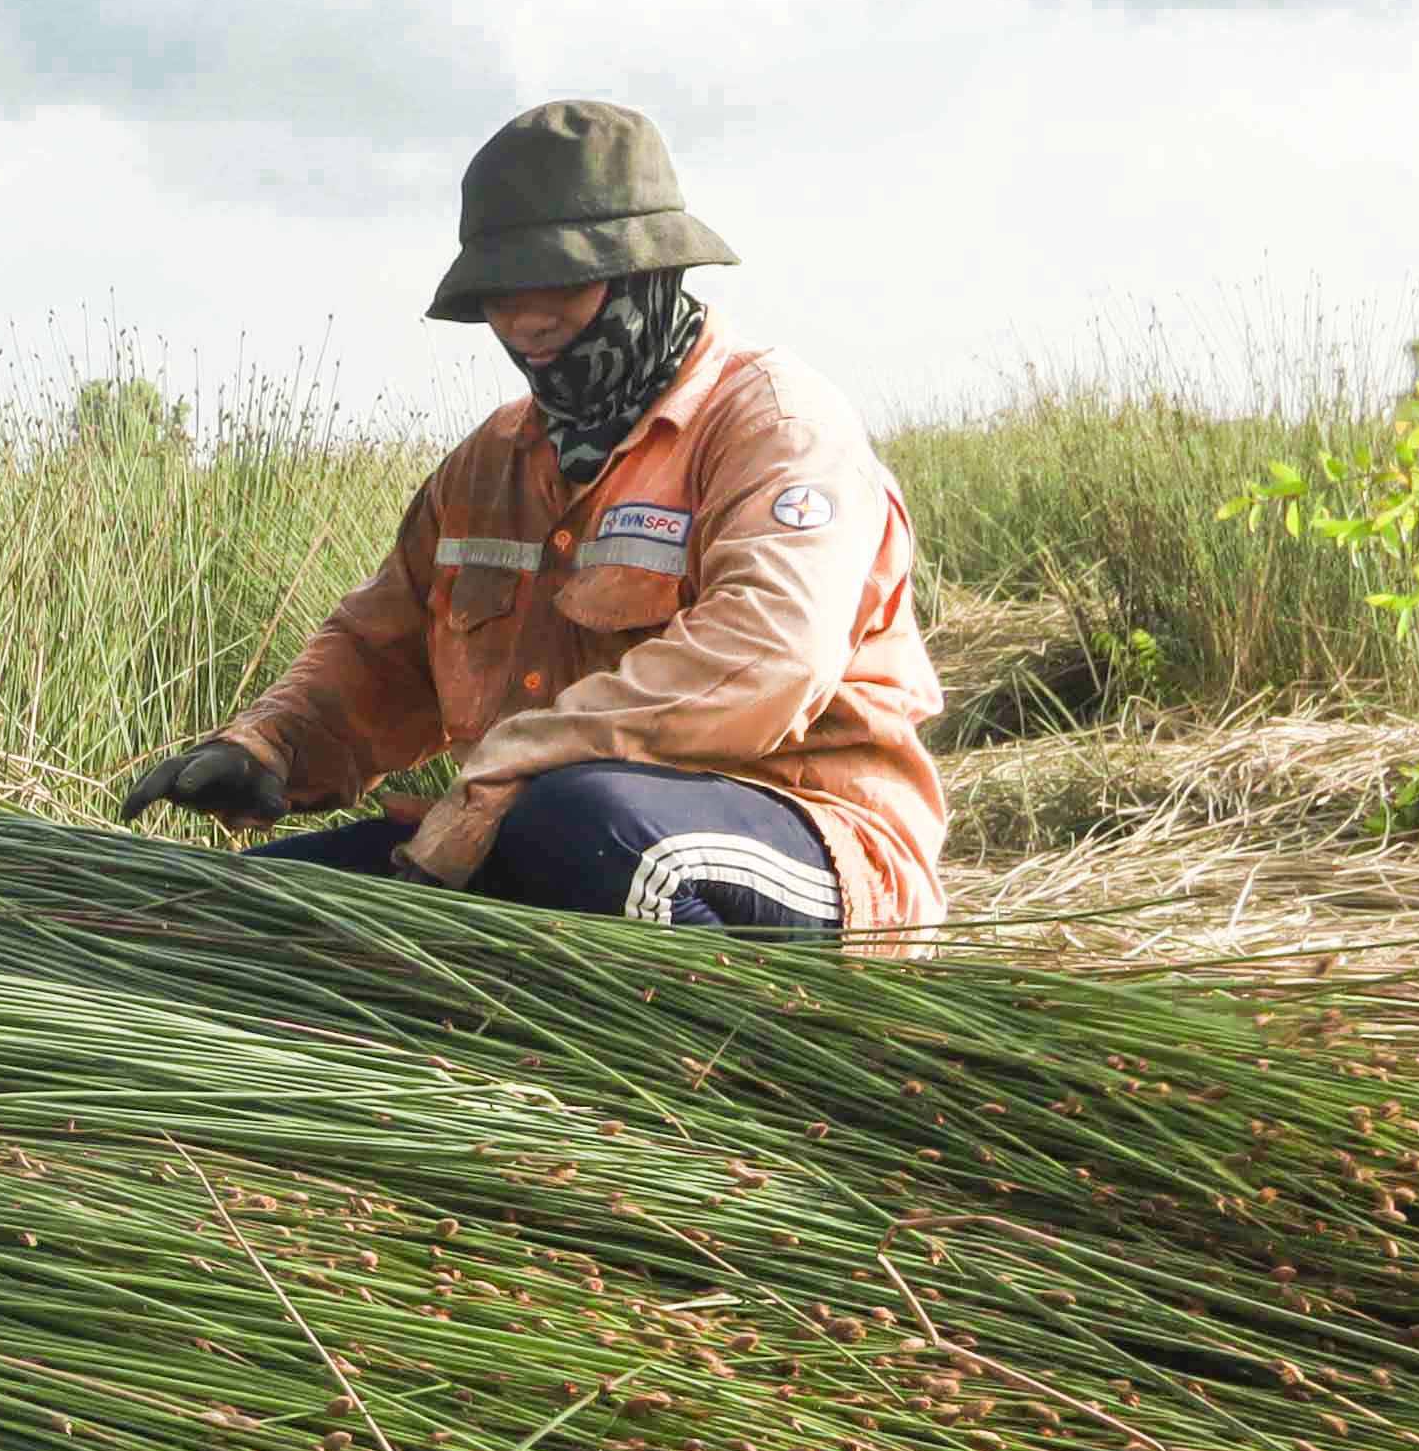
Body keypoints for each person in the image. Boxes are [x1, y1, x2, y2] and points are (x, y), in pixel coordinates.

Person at [109, 102, 944, 932]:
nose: (529, 323)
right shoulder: (491, 464)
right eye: (504, 296)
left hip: (805, 841)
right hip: (525, 824)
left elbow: (769, 657)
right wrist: (270, 749)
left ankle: (737, 1062)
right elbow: (380, 652)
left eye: (563, 286)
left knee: (586, 826)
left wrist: (522, 757)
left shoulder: (774, 428)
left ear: (649, 274)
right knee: (231, 910)